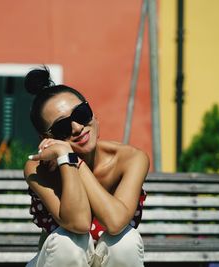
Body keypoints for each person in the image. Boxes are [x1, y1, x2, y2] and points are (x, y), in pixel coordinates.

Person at [24, 66, 149, 267]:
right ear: (47, 139)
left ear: (93, 114)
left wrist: (75, 161)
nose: (77, 127)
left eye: (81, 114)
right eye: (62, 127)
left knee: (126, 242)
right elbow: (79, 224)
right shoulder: (37, 169)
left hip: (110, 259)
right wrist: (65, 158)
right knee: (69, 242)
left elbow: (115, 222)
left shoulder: (131, 158)